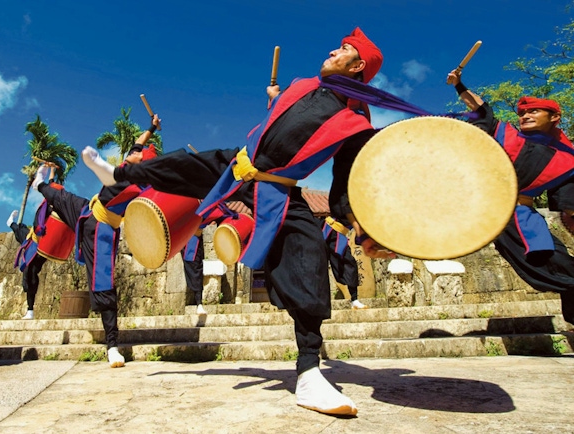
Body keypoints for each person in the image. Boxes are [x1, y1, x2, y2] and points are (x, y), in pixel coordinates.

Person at [80, 28, 394, 416]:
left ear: (358, 65)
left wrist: (361, 225)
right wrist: (278, 103)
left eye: (343, 49)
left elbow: (349, 174)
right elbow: (276, 130)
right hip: (239, 163)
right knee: (185, 166)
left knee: (308, 256)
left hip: (277, 188)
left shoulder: (355, 117)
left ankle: (310, 373)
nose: (333, 50)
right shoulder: (304, 86)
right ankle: (118, 178)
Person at [447, 68, 574, 328]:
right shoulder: (508, 136)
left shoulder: (567, 159)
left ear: (555, 117)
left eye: (533, 111)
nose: (525, 115)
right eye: (523, 113)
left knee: (566, 272)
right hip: (492, 213)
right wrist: (459, 85)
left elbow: (568, 206)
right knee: (567, 274)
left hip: (524, 220)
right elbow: (482, 109)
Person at [32, 116, 160, 368]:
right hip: (87, 211)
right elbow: (137, 141)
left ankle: (112, 346)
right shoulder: (126, 165)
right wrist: (152, 127)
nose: (133, 153)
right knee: (60, 196)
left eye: (138, 155)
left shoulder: (142, 186)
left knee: (104, 283)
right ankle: (39, 185)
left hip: (101, 231)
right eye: (135, 153)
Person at [8, 210, 48, 320]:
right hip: (33, 240)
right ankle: (11, 222)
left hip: (43, 247)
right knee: (19, 230)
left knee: (32, 275)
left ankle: (30, 311)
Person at [321, 216, 367, 309]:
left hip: (337, 232)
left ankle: (354, 300)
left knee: (349, 262)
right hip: (323, 227)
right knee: (316, 265)